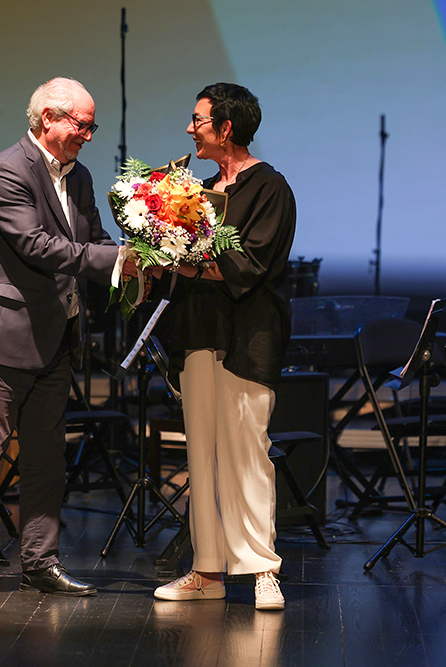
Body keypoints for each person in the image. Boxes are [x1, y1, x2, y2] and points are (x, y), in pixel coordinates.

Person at [0, 77, 132, 597]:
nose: (89, 135)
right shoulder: (6, 170)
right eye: (82, 124)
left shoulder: (81, 176)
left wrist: (137, 256)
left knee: (47, 455)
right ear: (49, 118)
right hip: (8, 334)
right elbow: (38, 246)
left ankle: (39, 561)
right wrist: (115, 262)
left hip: (57, 332)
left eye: (93, 126)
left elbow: (93, 239)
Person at [153, 83, 297, 610]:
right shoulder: (199, 191)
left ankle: (261, 568)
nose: (190, 129)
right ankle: (207, 569)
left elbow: (255, 263)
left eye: (198, 120)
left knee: (246, 452)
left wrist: (191, 262)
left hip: (248, 337)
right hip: (198, 331)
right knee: (202, 454)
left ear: (226, 127)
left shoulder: (270, 189)